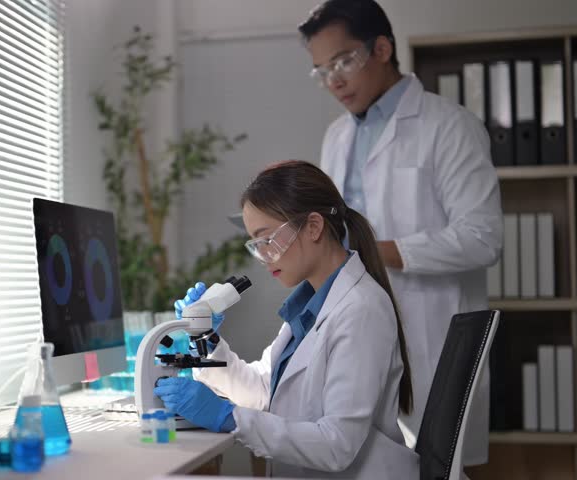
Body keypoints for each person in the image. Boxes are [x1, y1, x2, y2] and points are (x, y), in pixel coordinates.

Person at [298, 0, 503, 467]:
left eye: (344, 61)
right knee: (361, 461)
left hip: (428, 336)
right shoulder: (337, 137)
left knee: (430, 465)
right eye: (321, 70)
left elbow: (483, 237)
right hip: (359, 332)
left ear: (383, 48)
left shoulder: (448, 126)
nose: (334, 80)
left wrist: (377, 251)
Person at [154, 160, 418, 479]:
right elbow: (263, 390)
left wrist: (229, 418)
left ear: (314, 227)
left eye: (268, 239)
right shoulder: (313, 304)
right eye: (256, 244)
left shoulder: (361, 310)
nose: (264, 256)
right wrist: (203, 339)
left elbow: (337, 445)